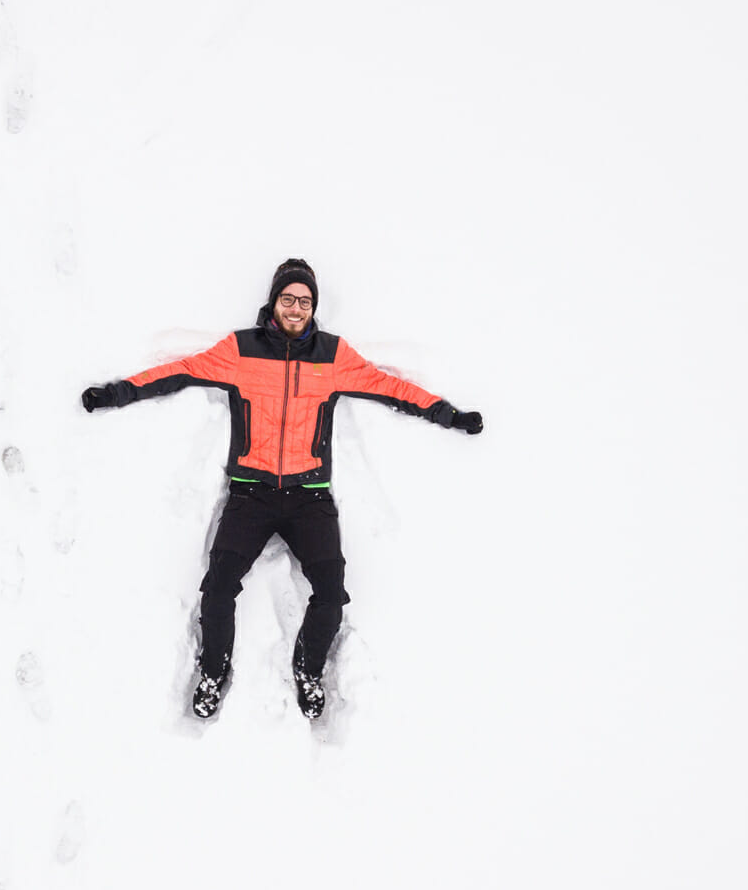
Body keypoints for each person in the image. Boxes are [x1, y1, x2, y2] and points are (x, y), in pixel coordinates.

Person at [81, 258, 482, 720]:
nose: (296, 308)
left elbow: (388, 387)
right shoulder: (241, 350)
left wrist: (448, 415)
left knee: (331, 594)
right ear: (274, 302)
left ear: (314, 308)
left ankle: (309, 670)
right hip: (250, 494)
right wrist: (115, 394)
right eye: (288, 299)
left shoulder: (332, 356)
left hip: (310, 498)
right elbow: (179, 372)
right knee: (218, 589)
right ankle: (213, 670)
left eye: (305, 301)